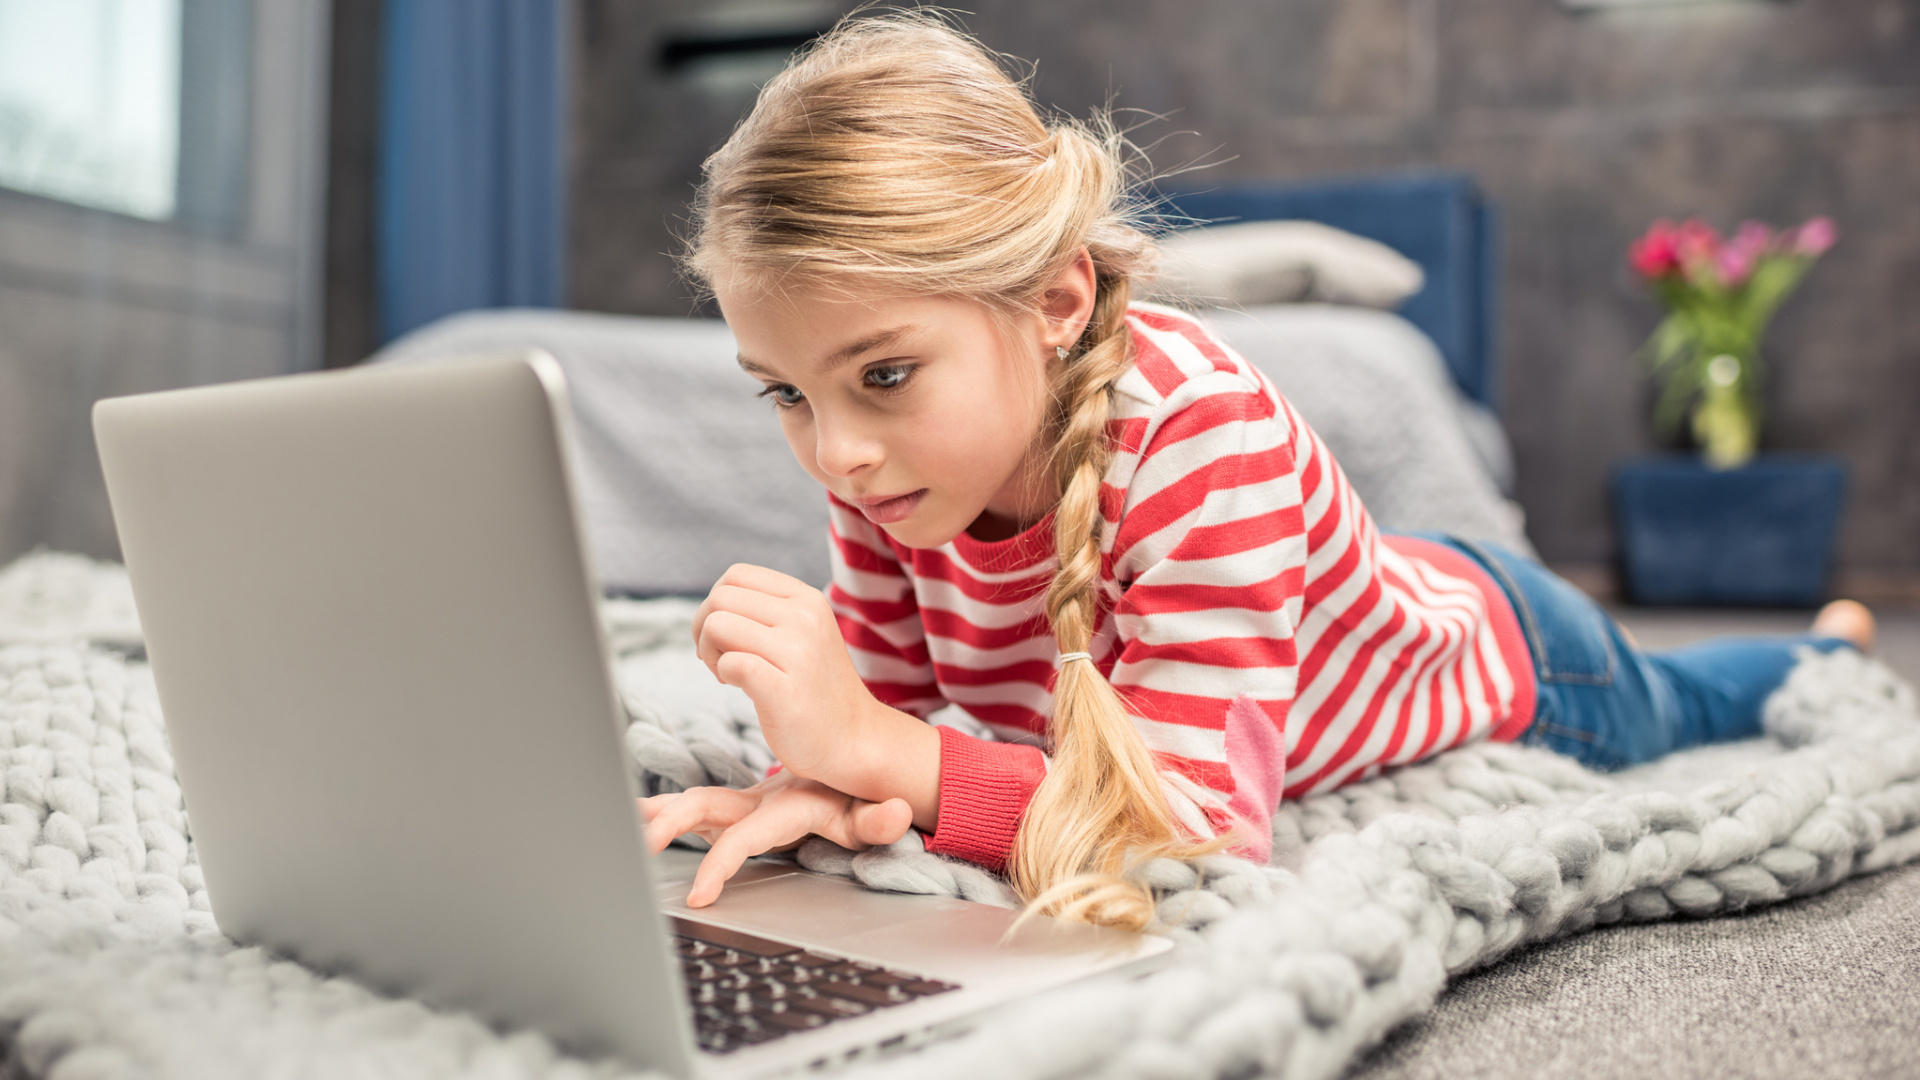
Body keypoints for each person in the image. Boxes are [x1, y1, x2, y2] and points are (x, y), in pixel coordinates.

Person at [637, 12, 1875, 930]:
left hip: (1517, 654)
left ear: (1056, 298)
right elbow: (895, 721)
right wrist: (813, 777)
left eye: (885, 374)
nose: (837, 450)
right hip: (1384, 602)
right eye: (786, 392)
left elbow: (1199, 832)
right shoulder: (883, 472)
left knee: (1694, 704)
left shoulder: (1194, 433)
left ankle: (1817, 645)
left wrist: (886, 759)